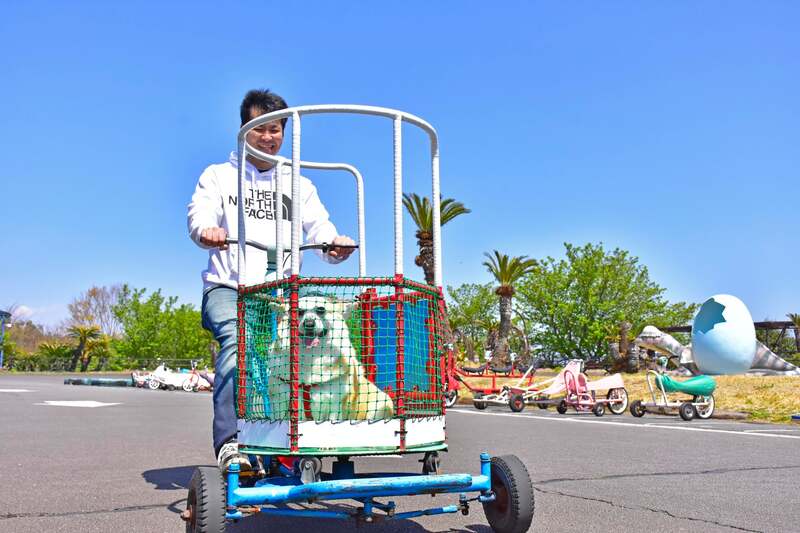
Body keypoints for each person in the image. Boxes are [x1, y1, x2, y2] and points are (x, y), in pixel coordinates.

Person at [187, 89, 355, 472]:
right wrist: (206, 230)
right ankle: (231, 443)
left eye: (275, 129)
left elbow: (321, 229)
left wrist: (335, 244)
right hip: (229, 286)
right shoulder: (218, 176)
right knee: (238, 344)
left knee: (289, 361)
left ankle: (283, 443)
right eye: (259, 128)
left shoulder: (298, 183)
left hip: (279, 295)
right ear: (244, 130)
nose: (268, 137)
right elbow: (199, 216)